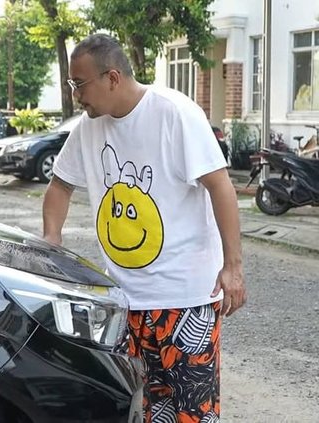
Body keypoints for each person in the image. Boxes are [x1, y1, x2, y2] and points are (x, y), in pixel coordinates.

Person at [42, 33, 246, 423]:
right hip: (125, 302)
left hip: (185, 301)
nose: (74, 95)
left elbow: (221, 185)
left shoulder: (174, 113)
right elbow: (60, 184)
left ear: (112, 78)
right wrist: (52, 236)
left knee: (193, 415)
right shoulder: (89, 127)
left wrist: (233, 266)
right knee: (144, 411)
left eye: (79, 84)